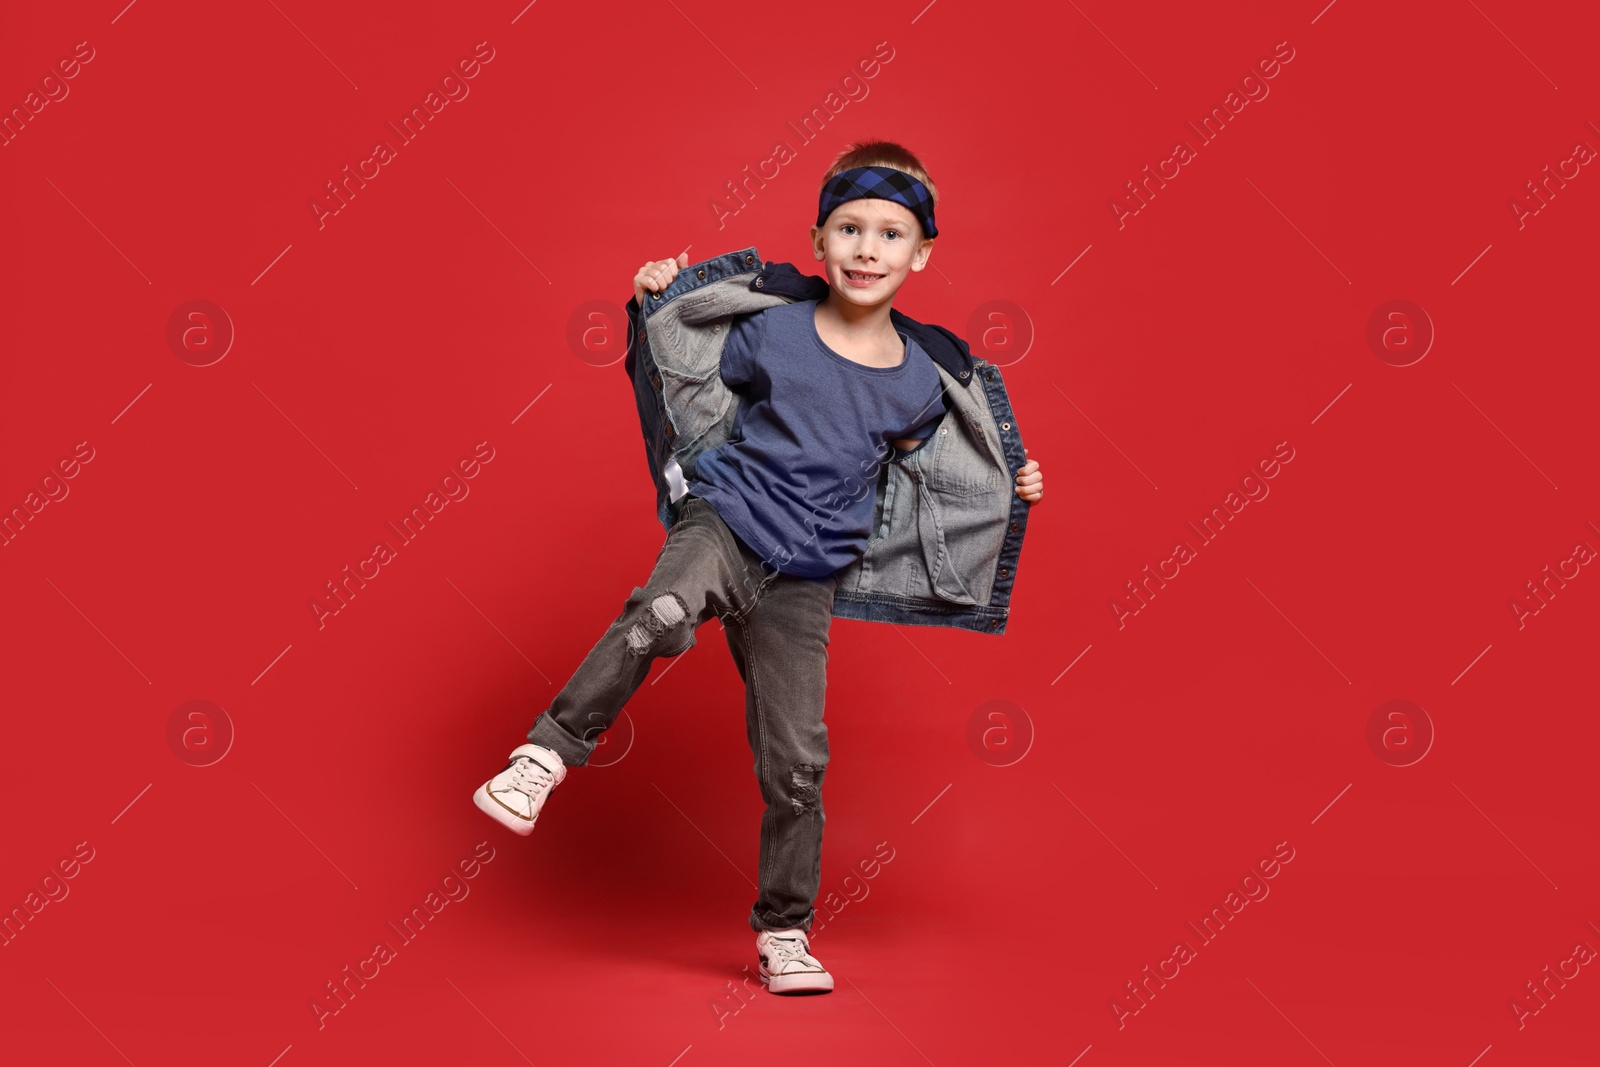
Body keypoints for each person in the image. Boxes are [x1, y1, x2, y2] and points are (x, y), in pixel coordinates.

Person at [474, 141, 1044, 995]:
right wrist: (653, 292)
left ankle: (785, 929)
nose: (866, 249)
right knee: (661, 613)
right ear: (817, 239)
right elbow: (684, 360)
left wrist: (1012, 478)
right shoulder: (773, 324)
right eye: (849, 229)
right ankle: (546, 754)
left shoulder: (924, 376)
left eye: (890, 234)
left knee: (798, 762)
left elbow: (945, 471)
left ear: (921, 253)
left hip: (803, 577)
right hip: (727, 522)